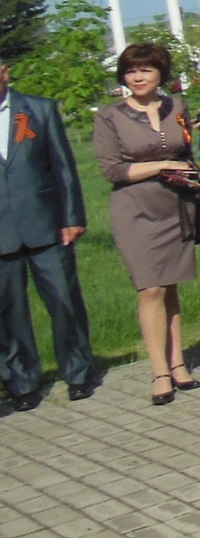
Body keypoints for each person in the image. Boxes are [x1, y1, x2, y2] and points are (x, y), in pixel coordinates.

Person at [91, 42, 200, 405]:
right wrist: (160, 166)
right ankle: (158, 371)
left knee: (170, 286)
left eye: (146, 70)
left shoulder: (177, 107)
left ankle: (178, 363)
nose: (137, 77)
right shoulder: (110, 115)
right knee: (150, 288)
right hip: (135, 208)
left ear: (160, 74)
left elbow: (185, 152)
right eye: (131, 71)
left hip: (175, 204)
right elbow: (113, 169)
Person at [0, 51, 90, 411]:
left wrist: (72, 216)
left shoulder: (38, 110)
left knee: (64, 301)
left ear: (5, 72)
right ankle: (21, 382)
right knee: (9, 311)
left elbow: (63, 167)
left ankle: (79, 372)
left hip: (47, 224)